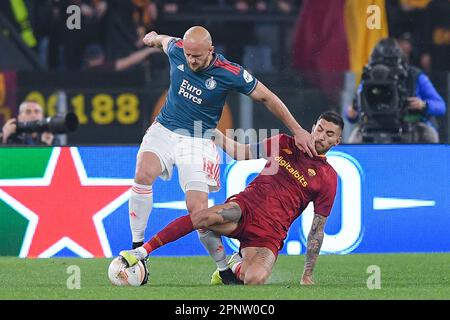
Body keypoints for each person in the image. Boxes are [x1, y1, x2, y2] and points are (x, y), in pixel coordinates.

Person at [128, 26, 317, 285]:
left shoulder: (230, 73)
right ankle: (138, 251)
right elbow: (163, 40)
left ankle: (224, 269)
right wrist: (152, 39)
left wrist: (297, 130)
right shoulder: (178, 49)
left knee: (199, 211)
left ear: (211, 51)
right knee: (142, 173)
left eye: (197, 56)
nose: (191, 61)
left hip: (198, 139)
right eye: (188, 55)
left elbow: (267, 97)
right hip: (165, 128)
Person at [119, 111, 342, 285]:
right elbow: (240, 153)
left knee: (254, 279)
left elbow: (317, 230)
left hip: (269, 235)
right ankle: (141, 252)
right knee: (201, 218)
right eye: (319, 129)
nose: (321, 136)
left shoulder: (328, 178)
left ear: (337, 141)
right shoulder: (285, 143)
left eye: (329, 134)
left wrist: (307, 275)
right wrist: (215, 134)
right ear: (313, 128)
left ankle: (233, 265)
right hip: (244, 209)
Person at [346, 38, 446, 143]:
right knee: (354, 139)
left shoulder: (415, 75)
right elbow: (353, 108)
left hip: (409, 125)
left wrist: (424, 105)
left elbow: (441, 106)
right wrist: (351, 112)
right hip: (373, 125)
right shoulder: (368, 78)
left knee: (429, 134)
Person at [83, 43, 160, 71]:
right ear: (102, 57)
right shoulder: (104, 69)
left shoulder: (83, 73)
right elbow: (129, 61)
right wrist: (149, 50)